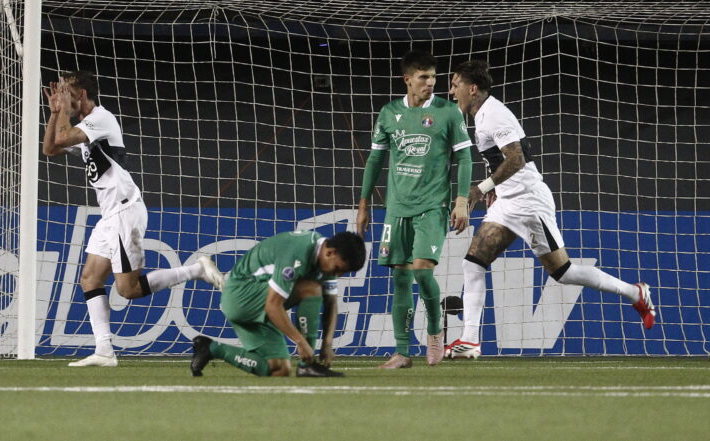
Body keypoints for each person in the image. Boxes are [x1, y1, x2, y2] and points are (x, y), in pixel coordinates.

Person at [444, 60, 656, 359]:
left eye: (456, 85)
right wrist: (496, 189)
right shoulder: (481, 116)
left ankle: (635, 292)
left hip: (529, 202)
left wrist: (482, 189)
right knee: (473, 263)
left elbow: (517, 159)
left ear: (473, 88)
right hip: (508, 202)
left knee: (563, 272)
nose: (452, 91)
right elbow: (501, 160)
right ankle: (470, 341)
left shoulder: (494, 114)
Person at [43, 71, 225, 367]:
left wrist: (62, 112)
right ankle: (104, 351)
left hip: (126, 211)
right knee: (90, 279)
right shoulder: (84, 127)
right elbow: (50, 148)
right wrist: (54, 114)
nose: (63, 99)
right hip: (109, 216)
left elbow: (63, 137)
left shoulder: (101, 119)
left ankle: (197, 270)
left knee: (128, 289)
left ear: (83, 95)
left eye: (67, 94)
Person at [355, 50, 473, 368]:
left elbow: (464, 158)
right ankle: (402, 352)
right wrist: (363, 205)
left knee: (421, 271)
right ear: (407, 79)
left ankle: (435, 333)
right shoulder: (389, 113)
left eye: (433, 76)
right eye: (423, 77)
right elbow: (375, 159)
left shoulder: (448, 112)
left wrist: (461, 200)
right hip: (396, 208)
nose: (430, 82)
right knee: (401, 279)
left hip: (433, 206)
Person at [190, 230, 366, 377]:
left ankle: (211, 348)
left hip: (260, 307)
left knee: (279, 369)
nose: (337, 275)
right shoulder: (299, 251)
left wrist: (327, 343)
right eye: (338, 269)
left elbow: (331, 303)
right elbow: (273, 305)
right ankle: (307, 365)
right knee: (310, 288)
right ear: (330, 253)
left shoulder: (326, 262)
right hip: (240, 296)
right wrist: (301, 342)